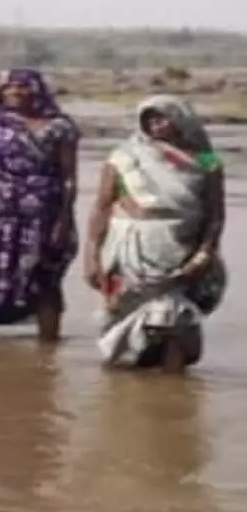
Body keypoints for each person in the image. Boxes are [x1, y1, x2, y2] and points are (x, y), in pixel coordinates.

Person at [85, 94, 227, 371]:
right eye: (149, 119)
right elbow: (102, 206)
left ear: (181, 120)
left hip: (180, 247)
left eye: (162, 117)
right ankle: (120, 385)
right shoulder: (124, 157)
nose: (156, 124)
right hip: (129, 248)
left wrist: (205, 250)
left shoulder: (207, 160)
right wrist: (92, 255)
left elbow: (215, 214)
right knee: (119, 310)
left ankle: (173, 384)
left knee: (175, 317)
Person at [0, 68, 80, 341]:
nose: (15, 92)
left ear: (37, 90)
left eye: (23, 86)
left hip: (40, 219)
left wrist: (64, 219)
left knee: (45, 282)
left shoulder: (60, 126)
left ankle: (48, 348)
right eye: (8, 86)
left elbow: (68, 178)